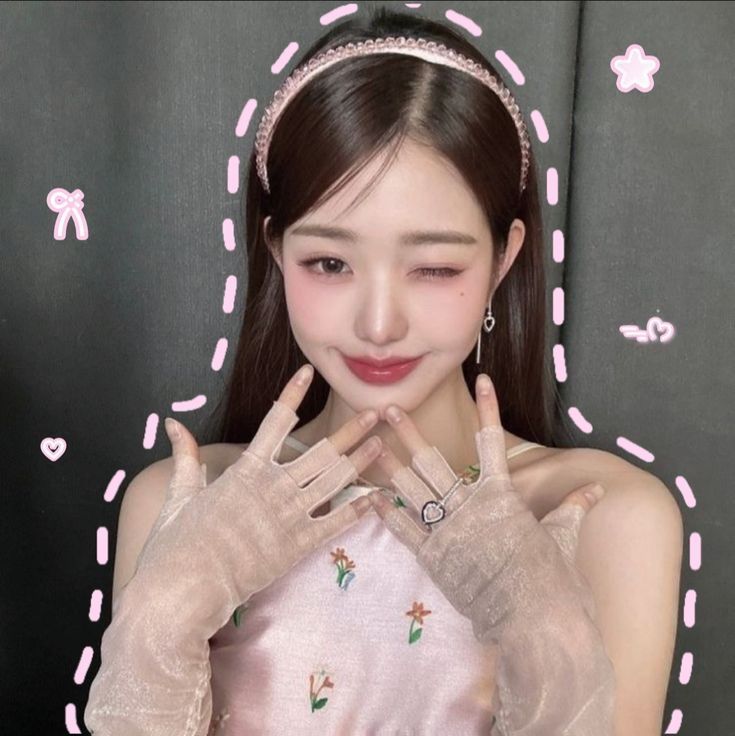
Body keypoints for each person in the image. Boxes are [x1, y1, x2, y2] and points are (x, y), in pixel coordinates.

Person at [85, 7, 682, 736]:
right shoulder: (184, 502)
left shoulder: (603, 517)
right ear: (276, 252)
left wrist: (547, 642)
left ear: (503, 258)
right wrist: (160, 623)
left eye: (433, 267)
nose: (378, 324)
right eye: (328, 263)